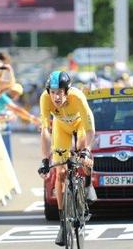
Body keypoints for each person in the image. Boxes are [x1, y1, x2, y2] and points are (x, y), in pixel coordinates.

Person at [37, 71, 96, 246]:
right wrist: (45, 159)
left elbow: (91, 130)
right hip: (61, 128)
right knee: (60, 172)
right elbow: (45, 130)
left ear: (67, 91)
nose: (56, 96)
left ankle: (88, 184)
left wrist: (86, 150)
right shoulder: (45, 99)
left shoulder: (77, 98)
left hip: (80, 126)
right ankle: (63, 223)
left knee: (82, 153)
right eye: (53, 92)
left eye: (60, 92)